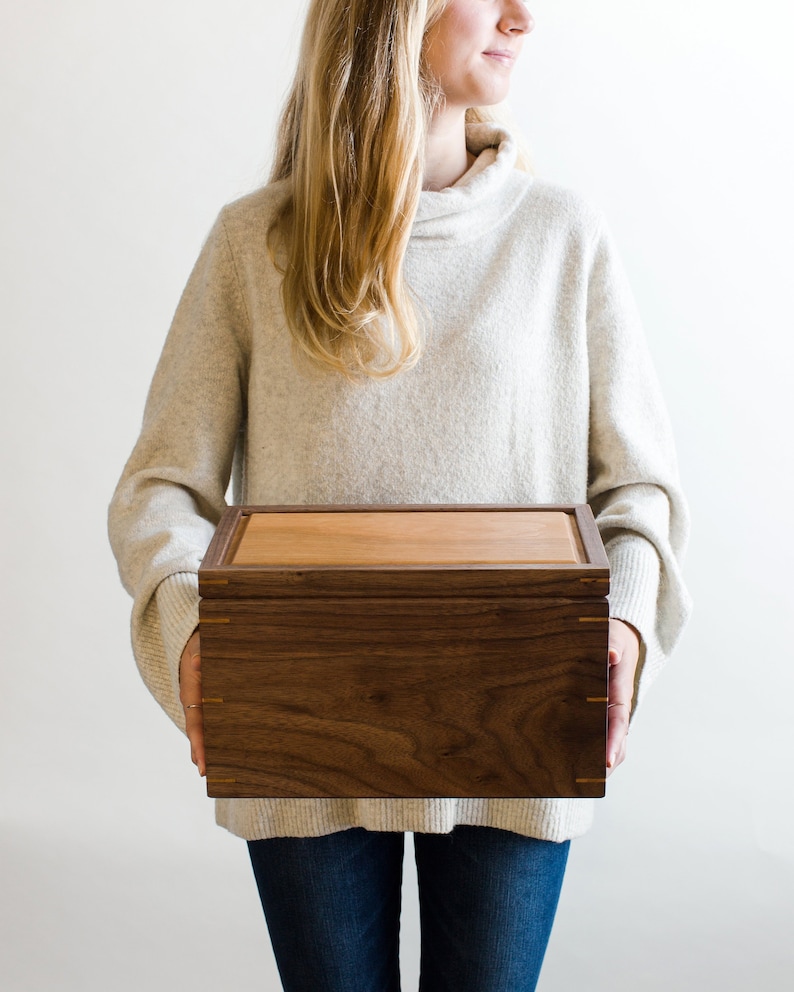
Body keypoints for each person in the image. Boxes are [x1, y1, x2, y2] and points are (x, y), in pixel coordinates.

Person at [108, 1, 691, 989]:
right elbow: (162, 487)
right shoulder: (255, 243)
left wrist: (625, 625)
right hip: (303, 736)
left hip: (516, 737)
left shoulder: (559, 234)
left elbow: (638, 487)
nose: (522, 15)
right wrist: (192, 633)